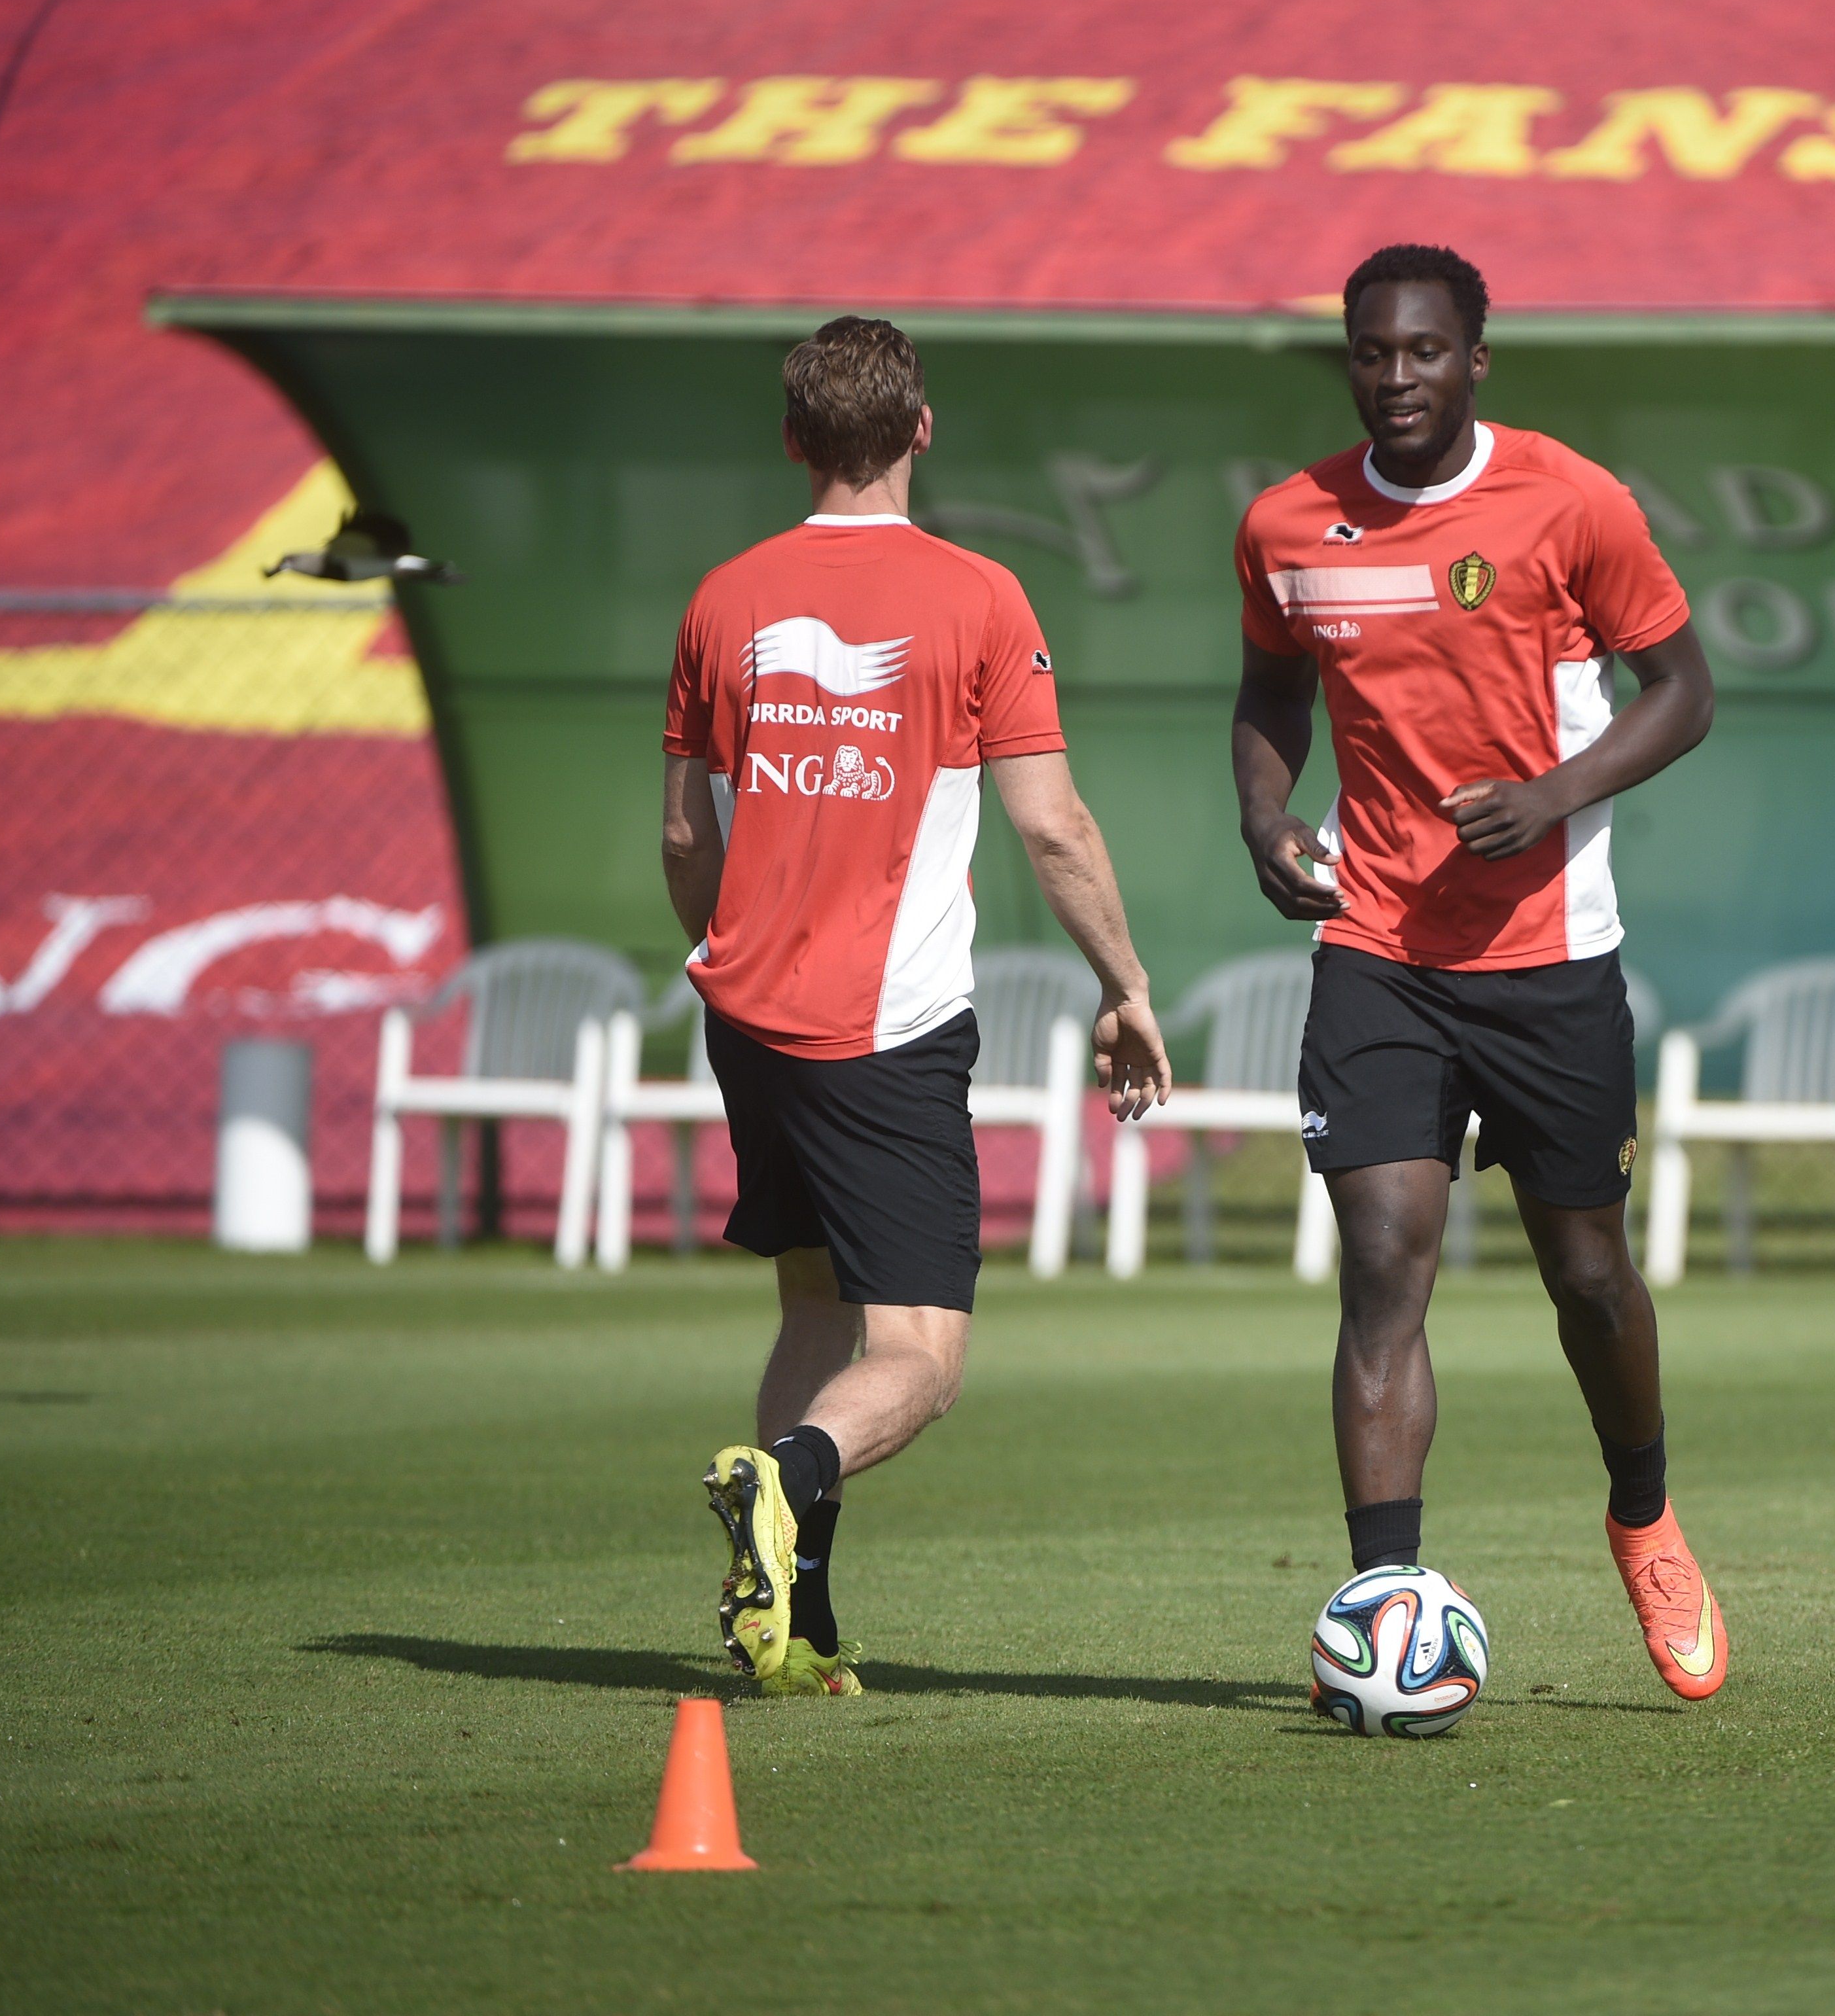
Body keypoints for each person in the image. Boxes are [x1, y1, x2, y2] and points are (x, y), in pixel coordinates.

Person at [1228, 244, 1727, 1700]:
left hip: (1550, 955)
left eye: (1424, 353)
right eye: (1371, 353)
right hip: (1377, 946)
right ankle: (1385, 1593)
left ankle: (1641, 1510)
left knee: (1587, 1275)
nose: (1395, 379)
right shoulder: (1284, 522)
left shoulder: (1571, 500)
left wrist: (1556, 793)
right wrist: (1268, 816)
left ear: (1476, 359)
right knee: (1383, 1260)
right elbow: (1269, 692)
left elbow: (1686, 692)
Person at [661, 316, 1170, 1694]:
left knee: (815, 1310)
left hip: (747, 1014)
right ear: (922, 429)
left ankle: (796, 1618)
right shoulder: (979, 597)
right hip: (883, 1033)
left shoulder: (724, 597)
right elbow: (1052, 829)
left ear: (792, 439)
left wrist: (732, 959)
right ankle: (781, 1479)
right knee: (922, 1359)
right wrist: (1124, 986)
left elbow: (682, 839)